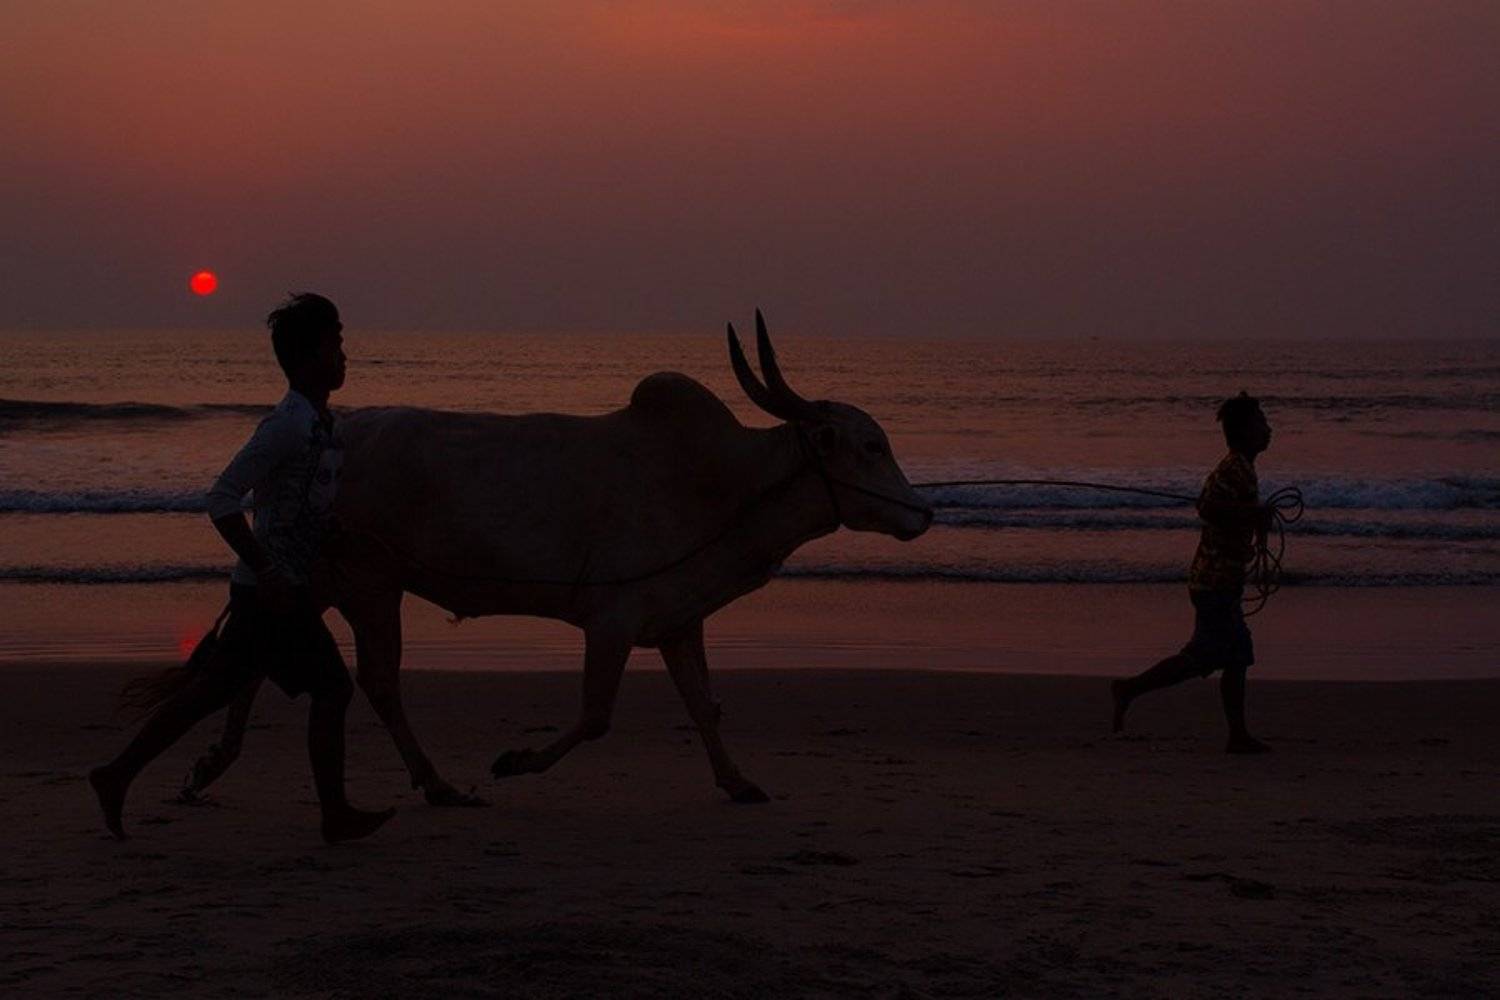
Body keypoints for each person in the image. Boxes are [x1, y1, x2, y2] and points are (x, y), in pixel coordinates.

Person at [90, 293, 395, 842]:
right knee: (331, 690)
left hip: (276, 594)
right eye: (336, 345)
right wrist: (269, 568)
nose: (345, 356)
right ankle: (335, 815)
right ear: (307, 359)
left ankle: (115, 776)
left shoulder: (326, 429)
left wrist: (334, 534)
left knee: (211, 693)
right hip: (270, 596)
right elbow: (222, 498)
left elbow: (296, 508)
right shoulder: (284, 428)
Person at [1111, 392, 1275, 753]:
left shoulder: (1239, 467)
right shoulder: (1237, 469)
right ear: (1245, 431)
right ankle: (1129, 689)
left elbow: (1219, 511)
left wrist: (1253, 516)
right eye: (1261, 423)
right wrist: (1254, 516)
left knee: (1237, 657)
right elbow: (1213, 512)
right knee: (1202, 659)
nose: (1268, 429)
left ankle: (1237, 735)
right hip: (1214, 582)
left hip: (1218, 581)